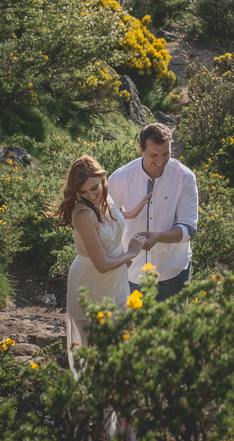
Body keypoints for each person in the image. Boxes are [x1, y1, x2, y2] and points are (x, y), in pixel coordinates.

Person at [53, 155, 150, 378]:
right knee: (91, 351)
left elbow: (109, 216)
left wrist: (130, 213)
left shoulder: (103, 197)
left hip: (116, 281)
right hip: (90, 281)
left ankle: (116, 399)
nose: (91, 196)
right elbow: (102, 264)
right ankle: (90, 403)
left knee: (119, 340)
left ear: (103, 178)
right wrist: (131, 253)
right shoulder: (84, 213)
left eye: (95, 188)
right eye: (83, 192)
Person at [108, 123, 198, 302]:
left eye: (166, 154)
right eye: (153, 155)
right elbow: (104, 219)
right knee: (133, 329)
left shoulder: (185, 177)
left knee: (173, 330)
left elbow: (189, 228)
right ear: (141, 150)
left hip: (173, 272)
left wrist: (157, 237)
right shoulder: (120, 178)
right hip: (131, 272)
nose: (161, 161)